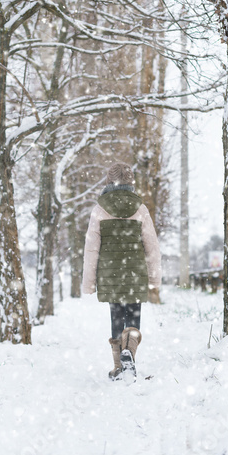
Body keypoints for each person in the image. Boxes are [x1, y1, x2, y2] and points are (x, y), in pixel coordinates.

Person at [82, 162, 162, 380]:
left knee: (116, 315)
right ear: (131, 182)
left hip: (109, 274)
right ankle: (130, 353)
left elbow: (91, 249)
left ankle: (119, 366)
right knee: (133, 315)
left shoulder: (99, 210)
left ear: (109, 181)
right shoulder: (141, 209)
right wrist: (154, 278)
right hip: (135, 273)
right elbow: (152, 247)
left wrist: (88, 283)